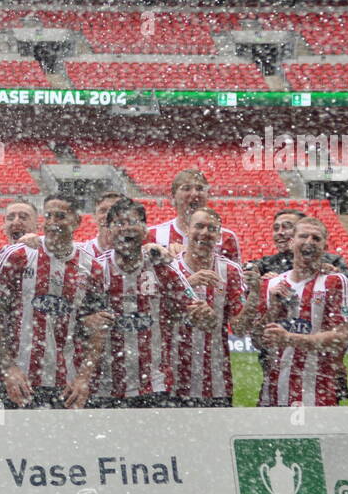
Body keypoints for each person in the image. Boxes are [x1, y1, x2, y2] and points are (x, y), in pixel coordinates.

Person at [0, 194, 109, 409]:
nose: (52, 223)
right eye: (48, 216)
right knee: (4, 438)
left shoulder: (91, 267)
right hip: (16, 379)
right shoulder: (18, 256)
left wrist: (83, 378)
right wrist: (8, 368)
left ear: (76, 221)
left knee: (61, 442)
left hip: (64, 381)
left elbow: (96, 331)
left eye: (60, 216)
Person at [90, 198, 213, 408]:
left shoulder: (162, 267)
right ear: (108, 230)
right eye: (119, 223)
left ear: (145, 229)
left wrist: (202, 313)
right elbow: (80, 321)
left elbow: (197, 313)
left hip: (154, 384)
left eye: (133, 222)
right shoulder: (96, 270)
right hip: (106, 385)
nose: (126, 228)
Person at [246, 217, 348, 408]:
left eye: (316, 238)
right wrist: (273, 310)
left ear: (325, 246)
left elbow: (343, 336)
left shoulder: (335, 282)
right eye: (303, 236)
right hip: (274, 389)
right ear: (291, 242)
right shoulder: (271, 284)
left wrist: (291, 339)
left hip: (319, 389)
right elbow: (257, 340)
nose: (309, 242)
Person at [166, 208, 248, 408]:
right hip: (174, 379)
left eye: (212, 228)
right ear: (187, 229)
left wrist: (253, 298)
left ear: (219, 236)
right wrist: (187, 284)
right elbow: (158, 313)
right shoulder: (169, 269)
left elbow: (239, 327)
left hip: (216, 380)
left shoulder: (230, 271)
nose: (204, 233)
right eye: (199, 226)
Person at [147, 169, 241, 263]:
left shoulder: (226, 238)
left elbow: (232, 275)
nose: (195, 194)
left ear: (207, 195)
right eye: (187, 188)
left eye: (200, 188)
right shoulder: (153, 235)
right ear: (173, 196)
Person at [245, 208, 348, 277]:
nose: (280, 233)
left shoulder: (333, 261)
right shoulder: (267, 263)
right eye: (276, 228)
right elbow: (245, 269)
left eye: (287, 227)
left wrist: (334, 275)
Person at [0, 197, 40, 269]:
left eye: (23, 217)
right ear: (4, 224)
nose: (16, 222)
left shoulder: (47, 255)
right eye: (10, 218)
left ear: (37, 224)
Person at [79, 191, 124, 258]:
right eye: (103, 210)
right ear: (94, 216)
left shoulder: (139, 252)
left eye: (115, 210)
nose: (108, 215)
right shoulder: (82, 253)